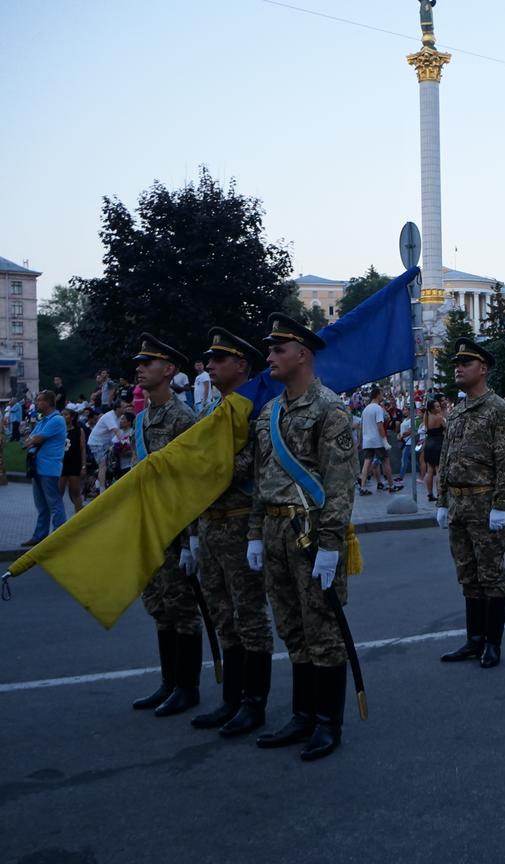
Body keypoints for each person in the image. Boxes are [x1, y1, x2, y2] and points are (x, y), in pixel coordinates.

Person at [248, 314, 358, 760]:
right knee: (292, 627)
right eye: (269, 350)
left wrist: (331, 545)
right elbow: (260, 478)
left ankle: (327, 723)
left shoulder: (329, 409)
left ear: (302, 355)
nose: (269, 357)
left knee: (323, 630)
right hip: (274, 530)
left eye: (278, 350)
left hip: (310, 533)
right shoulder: (269, 413)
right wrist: (256, 532)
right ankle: (302, 715)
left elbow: (339, 484)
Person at [188, 328, 275, 738]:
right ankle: (231, 700)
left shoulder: (258, 410)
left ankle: (253, 704)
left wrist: (210, 468)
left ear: (241, 365)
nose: (209, 365)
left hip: (241, 523)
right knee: (223, 616)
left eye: (219, 359)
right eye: (209, 359)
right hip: (210, 526)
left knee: (250, 617)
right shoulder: (210, 413)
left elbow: (253, 469)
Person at [128, 334, 203, 717]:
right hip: (150, 528)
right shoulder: (141, 420)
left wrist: (191, 541)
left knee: (182, 608)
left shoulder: (183, 418)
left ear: (169, 370)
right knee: (159, 605)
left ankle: (187, 687)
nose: (139, 368)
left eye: (148, 362)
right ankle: (168, 682)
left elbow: (190, 485)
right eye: (139, 363)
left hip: (175, 530)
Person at [436, 338, 505, 668]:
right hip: (457, 504)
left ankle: (493, 643)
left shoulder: (498, 409)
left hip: (484, 503)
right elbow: (445, 457)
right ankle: (474, 639)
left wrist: (500, 503)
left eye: (465, 363)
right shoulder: (457, 412)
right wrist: (441, 501)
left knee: (491, 574)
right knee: (468, 574)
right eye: (457, 362)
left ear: (482, 369)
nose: (458, 367)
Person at [21, 390, 68, 547]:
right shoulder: (43, 421)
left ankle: (59, 536)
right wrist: (32, 440)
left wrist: (32, 440)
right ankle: (40, 536)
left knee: (54, 503)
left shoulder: (57, 420)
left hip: (49, 468)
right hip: (38, 468)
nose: (37, 403)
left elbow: (36, 439)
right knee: (41, 506)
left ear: (48, 402)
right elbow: (28, 440)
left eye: (40, 401)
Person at [358, 387, 394, 494]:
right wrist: (384, 441)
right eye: (382, 394)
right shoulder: (378, 409)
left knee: (366, 463)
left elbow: (361, 427)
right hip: (377, 440)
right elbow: (380, 426)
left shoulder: (365, 409)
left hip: (367, 441)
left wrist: (361, 441)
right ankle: (391, 485)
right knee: (385, 462)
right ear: (377, 395)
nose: (383, 396)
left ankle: (363, 487)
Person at [87, 399, 128, 494]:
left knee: (110, 463)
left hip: (106, 442)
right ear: (118, 408)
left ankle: (100, 482)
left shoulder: (119, 416)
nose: (125, 408)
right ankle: (102, 489)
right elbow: (116, 431)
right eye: (124, 407)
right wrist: (125, 442)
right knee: (103, 465)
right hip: (96, 442)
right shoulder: (109, 417)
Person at [60, 407, 87, 513]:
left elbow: (83, 449)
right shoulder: (58, 431)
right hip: (61, 465)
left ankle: (79, 516)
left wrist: (83, 466)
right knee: (59, 492)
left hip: (74, 464)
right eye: (61, 414)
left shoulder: (78, 430)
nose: (63, 417)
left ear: (71, 417)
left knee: (75, 492)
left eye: (65, 415)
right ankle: (59, 519)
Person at [423, 395, 445, 501]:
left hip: (428, 443)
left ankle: (430, 494)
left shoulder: (426, 417)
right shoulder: (439, 418)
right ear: (432, 408)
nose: (439, 408)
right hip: (438, 443)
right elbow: (447, 428)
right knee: (438, 470)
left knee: (429, 470)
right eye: (436, 407)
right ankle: (440, 494)